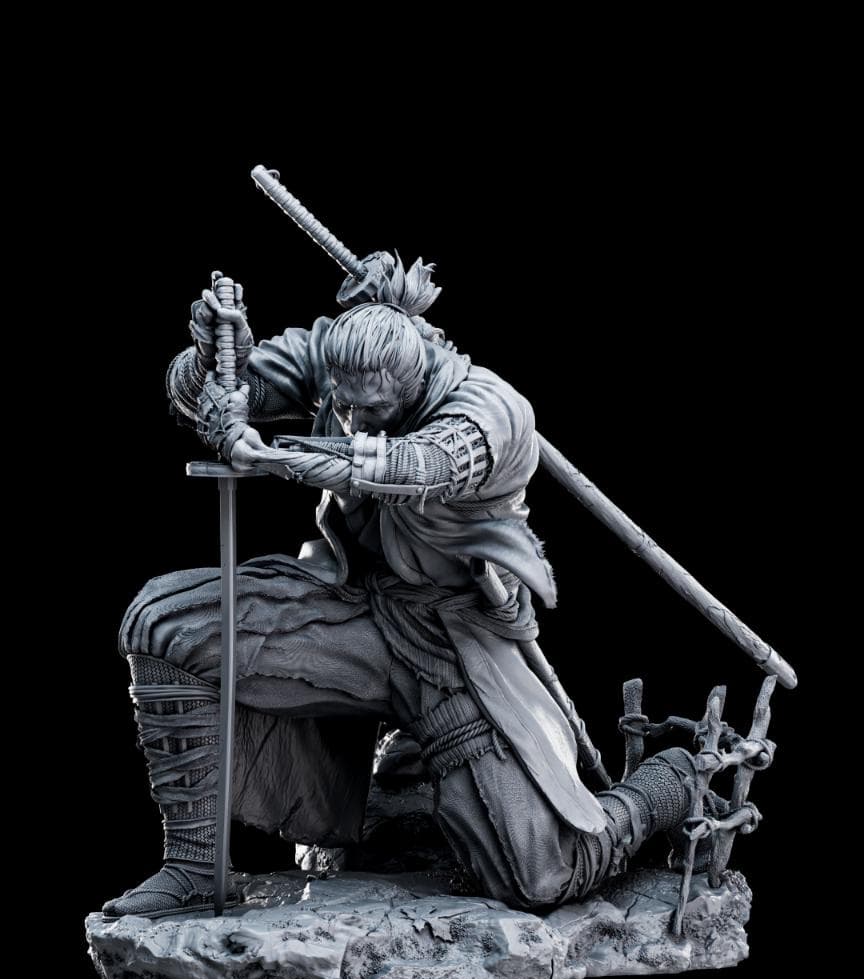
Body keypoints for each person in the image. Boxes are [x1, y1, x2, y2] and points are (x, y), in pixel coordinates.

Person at [103, 253, 700, 919]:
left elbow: (412, 468)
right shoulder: (337, 358)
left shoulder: (491, 410)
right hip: (351, 606)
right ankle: (192, 867)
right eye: (344, 405)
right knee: (163, 623)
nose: (355, 420)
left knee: (539, 873)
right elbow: (212, 399)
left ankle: (666, 785)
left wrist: (270, 454)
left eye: (374, 409)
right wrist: (219, 365)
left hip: (449, 641)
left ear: (412, 382)